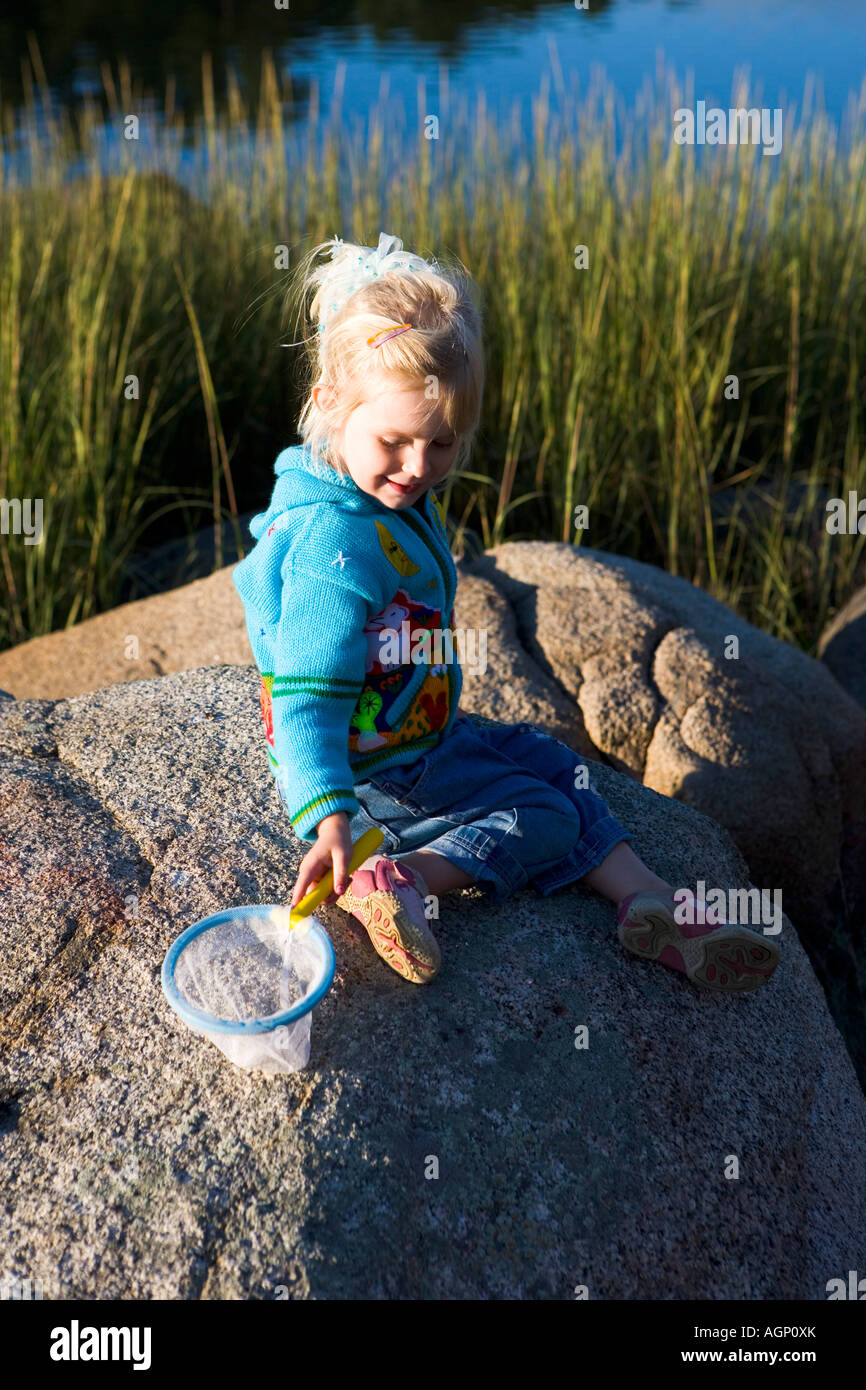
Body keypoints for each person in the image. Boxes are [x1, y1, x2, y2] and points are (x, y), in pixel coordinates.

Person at [232, 232, 780, 993]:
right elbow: (304, 699)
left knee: (556, 764)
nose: (419, 467)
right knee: (543, 816)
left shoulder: (378, 494)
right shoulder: (334, 544)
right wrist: (329, 820)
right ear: (328, 405)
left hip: (415, 735)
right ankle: (397, 877)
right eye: (394, 442)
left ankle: (647, 899)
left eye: (441, 442)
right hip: (375, 775)